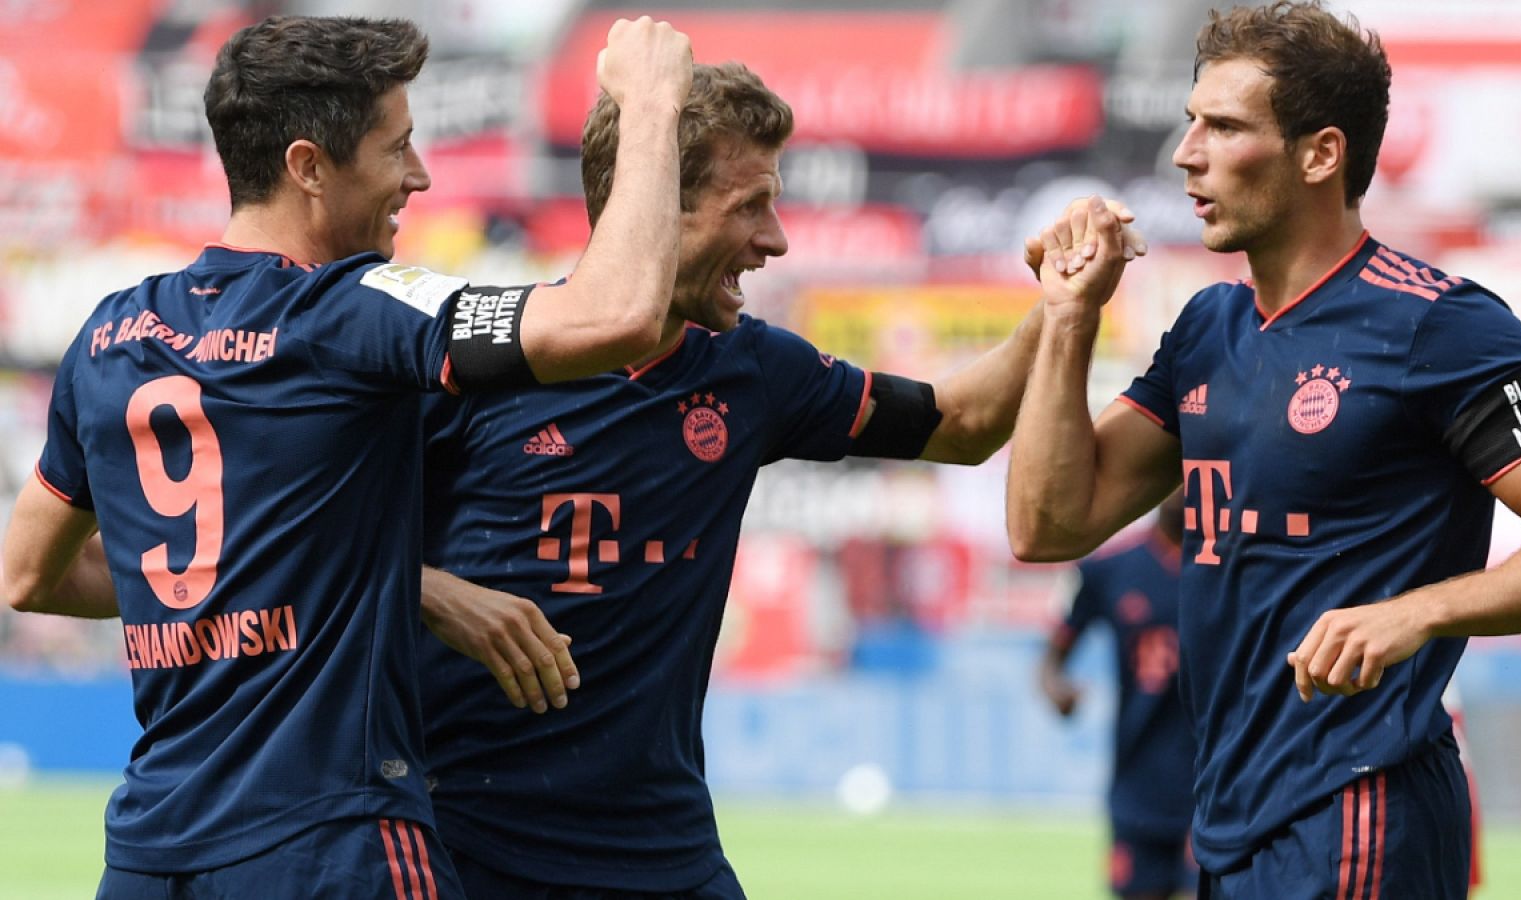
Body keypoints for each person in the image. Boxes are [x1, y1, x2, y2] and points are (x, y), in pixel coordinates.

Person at [1, 14, 691, 899]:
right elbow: (617, 318)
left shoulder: (110, 335)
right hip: (326, 847)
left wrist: (374, 583)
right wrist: (653, 101)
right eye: (394, 147)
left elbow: (30, 575)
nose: (419, 174)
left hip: (149, 854)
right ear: (307, 167)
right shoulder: (353, 311)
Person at [415, 61, 1143, 899]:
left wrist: (1057, 311)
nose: (777, 239)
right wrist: (436, 593)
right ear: (653, 203)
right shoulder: (474, 355)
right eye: (749, 205)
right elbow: (296, 543)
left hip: (660, 846)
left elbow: (963, 424)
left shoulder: (752, 369)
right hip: (465, 842)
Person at [1006, 2, 1521, 897]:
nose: (1186, 153)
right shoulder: (1208, 327)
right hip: (1232, 819)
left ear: (1321, 154)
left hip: (1363, 805)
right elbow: (1049, 523)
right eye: (1190, 122)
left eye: (1225, 127)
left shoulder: (1437, 323)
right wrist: (1067, 318)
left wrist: (1418, 612)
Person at [1038, 491, 1196, 900]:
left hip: (1214, 783)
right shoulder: (1109, 568)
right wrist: (1058, 688)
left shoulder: (1234, 566)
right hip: (1138, 784)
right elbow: (1053, 658)